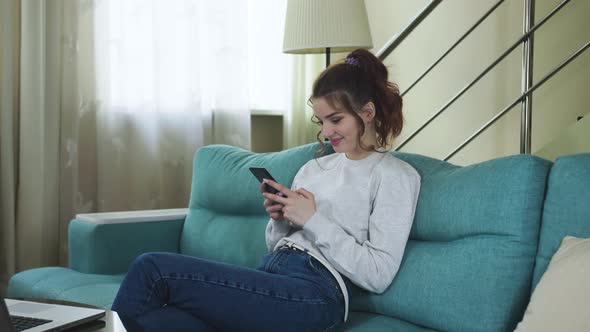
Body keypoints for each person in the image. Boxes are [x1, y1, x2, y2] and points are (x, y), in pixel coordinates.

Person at [111, 48, 421, 332]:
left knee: (152, 267)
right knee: (155, 321)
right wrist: (281, 219)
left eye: (335, 120)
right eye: (321, 120)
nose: (326, 132)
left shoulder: (394, 175)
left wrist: (312, 219)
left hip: (316, 295)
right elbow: (276, 246)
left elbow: (378, 275)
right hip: (272, 276)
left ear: (367, 113)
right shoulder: (314, 168)